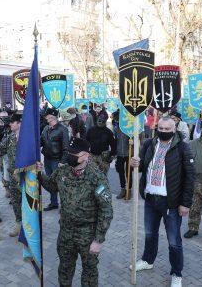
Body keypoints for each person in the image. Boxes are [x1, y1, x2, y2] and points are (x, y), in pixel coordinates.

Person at [37, 137, 113, 287]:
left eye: (74, 154)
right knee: (64, 269)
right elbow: (51, 187)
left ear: (86, 155)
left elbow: (106, 210)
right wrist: (40, 174)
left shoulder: (96, 177)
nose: (69, 156)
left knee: (89, 272)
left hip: (87, 234)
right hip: (66, 231)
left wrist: (98, 240)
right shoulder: (62, 170)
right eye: (69, 152)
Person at [129, 117, 195, 287]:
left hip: (171, 202)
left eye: (167, 129)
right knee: (150, 234)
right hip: (151, 199)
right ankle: (147, 260)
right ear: (156, 127)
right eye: (161, 128)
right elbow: (142, 165)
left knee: (174, 241)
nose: (164, 131)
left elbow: (190, 177)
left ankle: (176, 273)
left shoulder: (182, 147)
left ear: (174, 129)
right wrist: (135, 163)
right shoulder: (149, 144)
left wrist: (185, 203)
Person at [0, 113, 23, 236]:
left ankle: (31, 227)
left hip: (26, 177)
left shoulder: (29, 137)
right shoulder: (10, 137)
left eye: (12, 122)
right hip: (13, 177)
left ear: (19, 123)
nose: (10, 124)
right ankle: (19, 224)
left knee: (29, 203)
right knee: (16, 202)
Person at [40, 108, 69, 211]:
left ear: (53, 116)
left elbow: (66, 147)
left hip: (57, 161)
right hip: (47, 159)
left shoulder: (63, 129)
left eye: (47, 116)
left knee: (60, 184)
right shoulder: (46, 128)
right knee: (51, 183)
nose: (46, 117)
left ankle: (65, 206)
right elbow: (41, 142)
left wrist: (62, 161)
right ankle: (54, 203)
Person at [113, 111, 132, 199]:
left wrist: (133, 141)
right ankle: (123, 189)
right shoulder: (116, 128)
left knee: (129, 173)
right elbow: (115, 140)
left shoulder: (130, 127)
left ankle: (129, 190)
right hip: (120, 153)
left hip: (129, 153)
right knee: (120, 172)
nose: (117, 120)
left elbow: (138, 139)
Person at [0, 111, 12, 198]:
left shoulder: (10, 126)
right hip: (0, 154)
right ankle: (7, 189)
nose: (3, 119)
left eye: (5, 117)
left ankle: (12, 190)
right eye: (2, 117)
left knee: (9, 171)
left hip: (9, 154)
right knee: (2, 171)